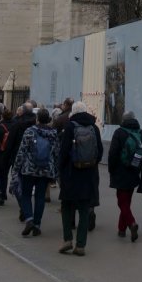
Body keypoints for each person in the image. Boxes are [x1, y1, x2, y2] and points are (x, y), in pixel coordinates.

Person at [57, 101, 103, 256]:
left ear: (73, 113)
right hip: (88, 174)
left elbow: (63, 152)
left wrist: (61, 169)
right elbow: (100, 152)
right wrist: (90, 164)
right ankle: (81, 245)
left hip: (71, 174)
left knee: (66, 207)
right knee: (84, 209)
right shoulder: (94, 127)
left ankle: (67, 240)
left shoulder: (70, 127)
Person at [14, 107, 58, 237]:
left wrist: (16, 168)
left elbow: (22, 151)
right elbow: (56, 153)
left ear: (37, 118)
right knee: (40, 197)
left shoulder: (30, 131)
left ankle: (29, 219)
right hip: (45, 170)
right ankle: (37, 224)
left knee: (26, 195)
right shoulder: (53, 133)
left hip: (29, 169)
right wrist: (55, 171)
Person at [108, 110, 142, 240]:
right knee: (126, 201)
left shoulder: (119, 132)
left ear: (123, 120)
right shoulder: (140, 133)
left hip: (120, 171)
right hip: (134, 170)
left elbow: (112, 153)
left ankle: (132, 223)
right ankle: (121, 229)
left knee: (121, 202)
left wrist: (111, 170)